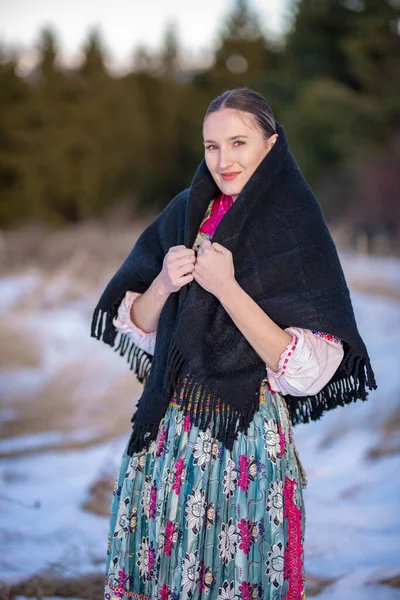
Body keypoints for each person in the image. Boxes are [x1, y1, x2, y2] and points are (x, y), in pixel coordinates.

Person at [91, 88, 376, 600]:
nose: (224, 160)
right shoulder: (186, 212)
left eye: (239, 142)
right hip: (167, 439)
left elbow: (308, 369)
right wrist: (162, 283)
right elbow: (135, 323)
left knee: (234, 579)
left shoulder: (294, 223)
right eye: (211, 146)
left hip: (242, 438)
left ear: (271, 145)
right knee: (162, 577)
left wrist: (227, 286)